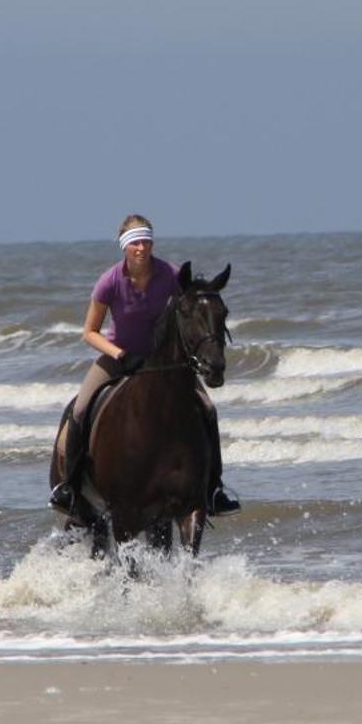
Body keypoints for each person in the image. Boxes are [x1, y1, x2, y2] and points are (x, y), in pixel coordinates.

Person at [50, 214, 240, 516]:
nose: (142, 248)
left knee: (208, 408)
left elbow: (191, 306)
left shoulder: (169, 274)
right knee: (81, 408)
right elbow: (89, 332)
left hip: (162, 362)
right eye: (135, 242)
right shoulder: (109, 281)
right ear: (125, 246)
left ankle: (214, 489)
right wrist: (120, 355)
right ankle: (69, 488)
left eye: (146, 241)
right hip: (118, 358)